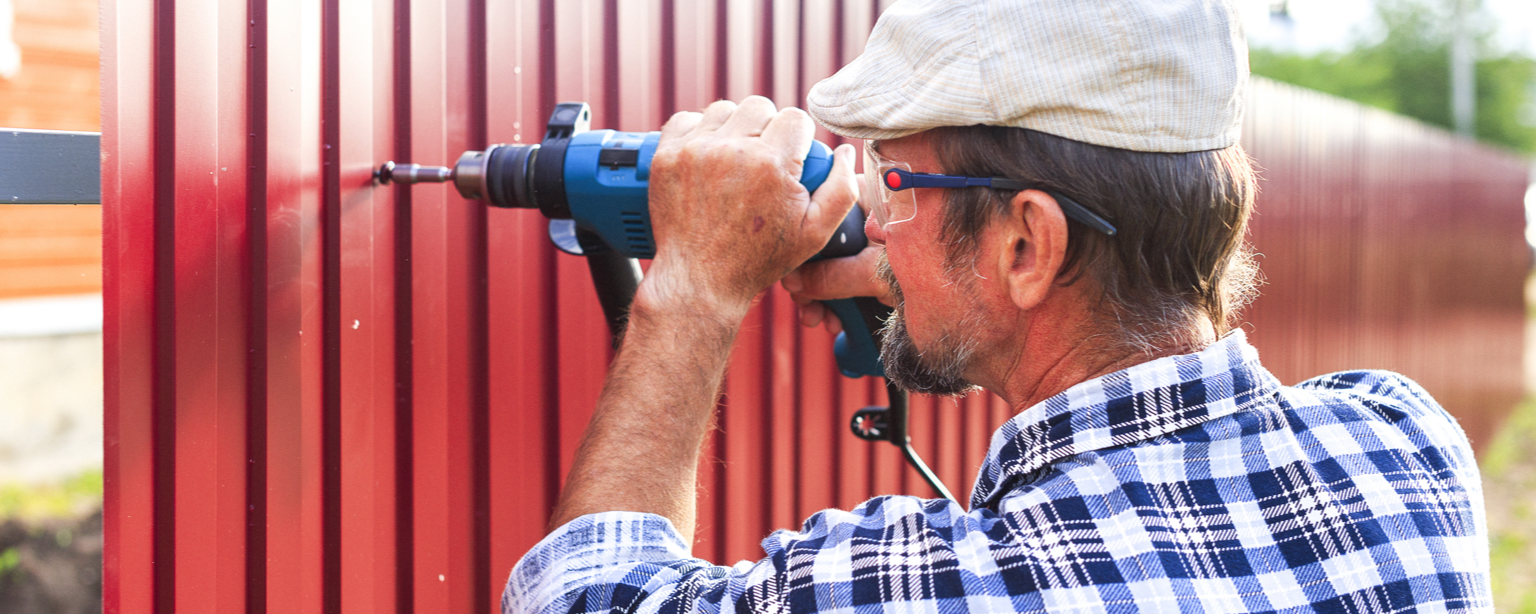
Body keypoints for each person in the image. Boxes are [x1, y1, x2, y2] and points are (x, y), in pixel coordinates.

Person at [504, 0, 1492, 612]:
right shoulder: (1402, 443)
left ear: (1027, 246)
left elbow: (581, 599)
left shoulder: (942, 586)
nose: (876, 217)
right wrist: (942, 270)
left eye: (896, 183)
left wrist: (698, 288)